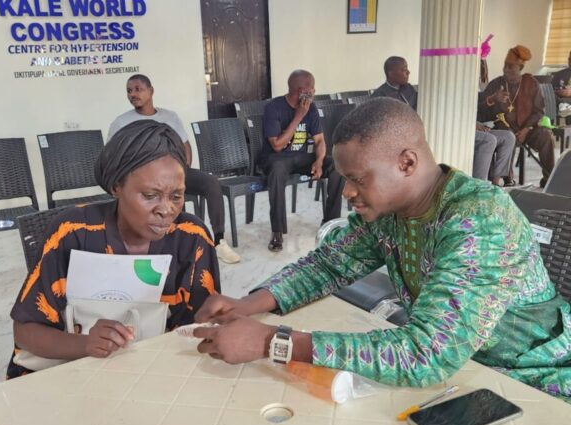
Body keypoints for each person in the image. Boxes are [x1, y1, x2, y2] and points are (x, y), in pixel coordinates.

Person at [193, 98, 571, 401]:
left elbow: (427, 353)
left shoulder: (479, 220)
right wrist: (248, 303)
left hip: (535, 377)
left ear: (406, 163)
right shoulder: (391, 210)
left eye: (357, 179)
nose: (348, 192)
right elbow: (330, 264)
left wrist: (271, 342)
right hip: (466, 370)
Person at [7, 120, 221, 379]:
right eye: (150, 195)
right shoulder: (73, 233)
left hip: (153, 374)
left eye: (176, 196)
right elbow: (25, 331)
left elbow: (200, 331)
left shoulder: (191, 239)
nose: (166, 210)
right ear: (116, 186)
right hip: (74, 373)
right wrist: (85, 344)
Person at [108, 74, 240, 264]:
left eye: (138, 89)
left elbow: (185, 146)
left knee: (210, 182)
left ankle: (218, 241)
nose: (133, 94)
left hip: (173, 175)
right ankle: (167, 243)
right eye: (129, 91)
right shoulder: (121, 123)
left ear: (151, 91)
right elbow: (112, 155)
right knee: (162, 195)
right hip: (144, 180)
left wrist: (181, 172)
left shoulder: (170, 117)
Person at [261, 69, 344, 251]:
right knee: (277, 172)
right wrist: (298, 116)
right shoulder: (273, 108)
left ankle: (330, 223)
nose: (314, 91)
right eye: (312, 88)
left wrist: (319, 161)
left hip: (300, 157)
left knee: (336, 166)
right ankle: (277, 232)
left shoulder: (311, 108)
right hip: (276, 159)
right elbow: (277, 145)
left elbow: (320, 140)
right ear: (301, 91)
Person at [478, 45, 555, 188]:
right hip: (505, 128)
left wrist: (527, 128)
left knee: (546, 136)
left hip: (528, 130)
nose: (505, 70)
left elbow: (539, 111)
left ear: (520, 68)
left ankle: (549, 179)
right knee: (507, 136)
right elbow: (480, 114)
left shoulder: (531, 83)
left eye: (510, 67)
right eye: (505, 65)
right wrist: (493, 99)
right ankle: (507, 180)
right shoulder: (496, 84)